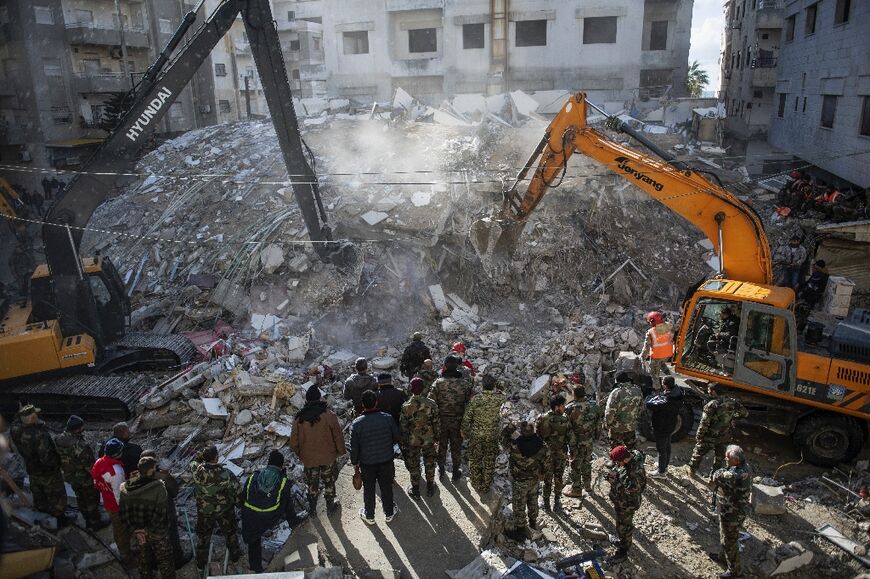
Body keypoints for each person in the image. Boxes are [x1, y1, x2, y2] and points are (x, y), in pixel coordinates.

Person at [240, 450, 301, 574]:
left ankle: (256, 568)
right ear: (281, 465)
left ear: (268, 462)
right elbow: (287, 504)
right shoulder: (283, 481)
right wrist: (293, 520)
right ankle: (292, 523)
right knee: (285, 497)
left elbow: (243, 497)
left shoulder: (254, 476)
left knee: (254, 541)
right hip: (271, 515)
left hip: (250, 515)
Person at [289, 385, 346, 516]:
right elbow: (338, 435)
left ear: (307, 400)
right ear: (319, 398)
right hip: (328, 457)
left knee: (312, 485)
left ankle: (313, 510)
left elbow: (293, 443)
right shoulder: (328, 415)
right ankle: (330, 507)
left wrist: (301, 454)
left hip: (309, 460)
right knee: (329, 482)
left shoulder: (299, 418)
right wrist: (340, 451)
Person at [119, 456, 175, 579]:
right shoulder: (158, 488)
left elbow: (123, 514)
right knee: (165, 560)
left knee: (143, 558)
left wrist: (137, 530)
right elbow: (161, 514)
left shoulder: (125, 488)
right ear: (150, 470)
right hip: (157, 532)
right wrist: (148, 530)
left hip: (139, 533)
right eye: (155, 468)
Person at [350, 390, 400, 525]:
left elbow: (354, 447)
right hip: (386, 460)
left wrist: (355, 464)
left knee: (369, 489)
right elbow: (396, 437)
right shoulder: (387, 418)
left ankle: (370, 515)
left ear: (363, 404)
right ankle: (389, 513)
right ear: (376, 402)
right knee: (386, 487)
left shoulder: (356, 424)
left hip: (367, 463)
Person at [10, 405, 67, 522]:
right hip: (47, 472)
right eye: (35, 415)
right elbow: (46, 456)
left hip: (31, 469)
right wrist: (56, 466)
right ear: (32, 418)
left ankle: (42, 514)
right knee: (57, 495)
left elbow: (16, 422)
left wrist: (23, 415)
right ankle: (59, 519)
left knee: (38, 493)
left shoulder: (15, 430)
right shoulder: (39, 435)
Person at [191, 444, 241, 572]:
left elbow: (194, 462)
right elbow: (237, 493)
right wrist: (239, 504)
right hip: (224, 511)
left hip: (204, 511)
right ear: (217, 458)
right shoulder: (226, 474)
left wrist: (200, 456)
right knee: (230, 533)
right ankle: (236, 558)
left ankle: (200, 564)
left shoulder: (197, 471)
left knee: (203, 537)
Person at [139, 450, 188, 569]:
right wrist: (167, 475)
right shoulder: (162, 477)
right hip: (165, 513)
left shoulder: (134, 479)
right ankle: (177, 560)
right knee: (172, 536)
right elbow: (174, 492)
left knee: (150, 540)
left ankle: (153, 562)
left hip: (146, 515)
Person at [687, 383, 748, 477]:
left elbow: (704, 423)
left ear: (713, 391)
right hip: (725, 436)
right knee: (719, 459)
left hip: (710, 435)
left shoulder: (712, 405)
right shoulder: (732, 402)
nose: (708, 392)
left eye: (708, 390)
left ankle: (691, 472)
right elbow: (745, 413)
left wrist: (699, 436)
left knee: (698, 454)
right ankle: (714, 479)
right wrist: (732, 417)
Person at [55, 415, 104, 529]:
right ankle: (95, 523)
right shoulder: (80, 446)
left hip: (70, 476)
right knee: (91, 500)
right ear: (77, 429)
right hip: (85, 479)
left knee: (80, 497)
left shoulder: (58, 439)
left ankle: (86, 518)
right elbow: (90, 466)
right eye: (81, 427)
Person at [711, 445, 753, 579]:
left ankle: (735, 571)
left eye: (728, 458)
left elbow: (716, 476)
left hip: (733, 512)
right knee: (725, 535)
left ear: (735, 460)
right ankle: (723, 557)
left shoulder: (736, 475)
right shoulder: (743, 467)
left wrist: (721, 472)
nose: (725, 459)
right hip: (730, 509)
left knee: (730, 540)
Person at [430, 355, 473, 482]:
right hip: (458, 421)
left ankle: (441, 469)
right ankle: (455, 472)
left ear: (445, 366)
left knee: (442, 445)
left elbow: (431, 402)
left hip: (441, 420)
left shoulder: (438, 383)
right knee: (456, 447)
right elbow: (470, 403)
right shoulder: (464, 384)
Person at [461, 374, 505, 495]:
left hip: (476, 436)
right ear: (494, 386)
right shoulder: (500, 399)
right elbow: (505, 393)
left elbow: (467, 419)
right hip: (492, 436)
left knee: (475, 460)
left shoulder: (476, 399)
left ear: (482, 385)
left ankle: (476, 484)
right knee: (489, 461)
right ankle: (485, 486)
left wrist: (465, 432)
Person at [503, 421, 547, 542]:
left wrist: (510, 428)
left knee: (519, 505)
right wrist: (542, 472)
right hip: (533, 479)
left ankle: (521, 530)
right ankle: (533, 523)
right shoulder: (542, 445)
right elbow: (545, 461)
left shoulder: (515, 446)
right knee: (533, 500)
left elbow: (503, 440)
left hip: (519, 481)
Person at [92, 437, 133, 567]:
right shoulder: (116, 471)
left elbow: (96, 482)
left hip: (107, 501)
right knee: (121, 530)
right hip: (117, 505)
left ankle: (123, 548)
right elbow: (118, 492)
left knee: (117, 527)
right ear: (117, 453)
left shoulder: (99, 462)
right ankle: (126, 557)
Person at [606, 444, 647, 563]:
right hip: (622, 501)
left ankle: (623, 551)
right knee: (621, 524)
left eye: (618, 462)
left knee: (624, 526)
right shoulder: (633, 455)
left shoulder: (635, 473)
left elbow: (631, 491)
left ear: (624, 459)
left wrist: (614, 483)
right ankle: (622, 541)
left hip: (627, 504)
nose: (617, 464)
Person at [400, 377, 440, 498]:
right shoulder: (431, 404)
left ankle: (416, 489)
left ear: (410, 389)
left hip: (413, 440)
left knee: (414, 464)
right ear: (423, 389)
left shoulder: (406, 406)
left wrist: (405, 441)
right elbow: (436, 423)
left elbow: (403, 426)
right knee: (430, 462)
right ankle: (430, 487)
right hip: (429, 439)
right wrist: (437, 437)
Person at [563, 382, 601, 501]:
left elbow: (567, 429)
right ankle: (588, 485)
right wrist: (596, 436)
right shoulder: (594, 406)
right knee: (587, 462)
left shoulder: (570, 409)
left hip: (576, 443)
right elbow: (598, 424)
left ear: (574, 395)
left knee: (574, 465)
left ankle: (576, 489)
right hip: (589, 440)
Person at [644, 376, 684, 477]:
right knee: (667, 446)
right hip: (670, 424)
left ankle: (661, 472)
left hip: (662, 426)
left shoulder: (667, 400)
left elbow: (649, 404)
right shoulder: (677, 392)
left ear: (665, 385)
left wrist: (654, 398)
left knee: (661, 448)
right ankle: (664, 466)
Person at [536, 395, 570, 512]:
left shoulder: (541, 418)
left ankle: (546, 503)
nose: (564, 408)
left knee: (547, 479)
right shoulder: (565, 419)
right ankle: (556, 502)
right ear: (557, 407)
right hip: (560, 454)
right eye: (563, 405)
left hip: (546, 455)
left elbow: (538, 438)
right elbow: (570, 438)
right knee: (559, 478)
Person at [604, 372, 643, 450]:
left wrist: (607, 424)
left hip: (617, 428)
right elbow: (641, 407)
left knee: (616, 451)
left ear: (617, 381)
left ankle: (616, 462)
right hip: (631, 426)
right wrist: (634, 419)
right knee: (631, 450)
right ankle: (631, 461)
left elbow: (609, 412)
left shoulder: (616, 392)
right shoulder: (637, 390)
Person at [641, 311, 674, 390]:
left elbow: (646, 348)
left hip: (657, 356)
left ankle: (658, 390)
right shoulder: (669, 326)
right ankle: (671, 381)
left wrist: (642, 357)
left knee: (654, 374)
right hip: (668, 354)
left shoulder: (651, 332)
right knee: (662, 365)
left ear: (652, 322)